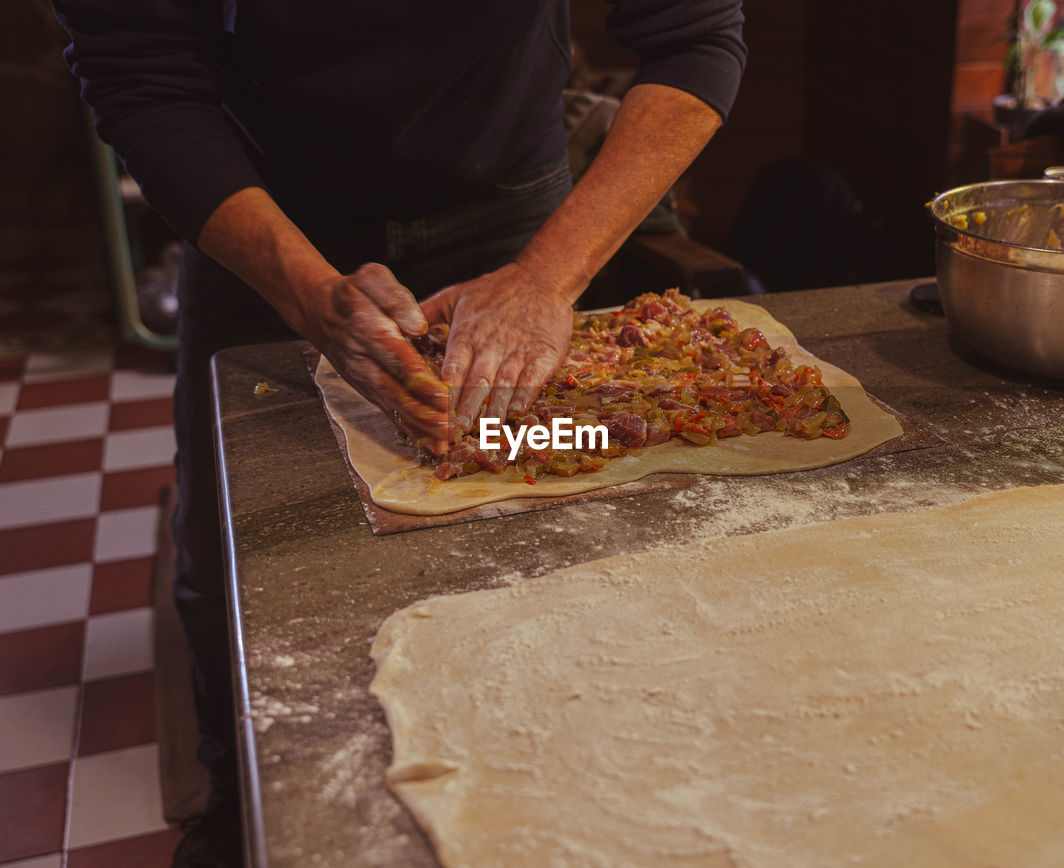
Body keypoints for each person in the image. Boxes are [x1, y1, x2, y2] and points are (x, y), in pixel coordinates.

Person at [51, 1, 746, 864]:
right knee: (244, 563)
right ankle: (239, 814)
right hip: (266, 223)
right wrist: (305, 292)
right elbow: (141, 76)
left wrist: (546, 278)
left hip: (511, 214)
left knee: (544, 540)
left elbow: (694, 37)